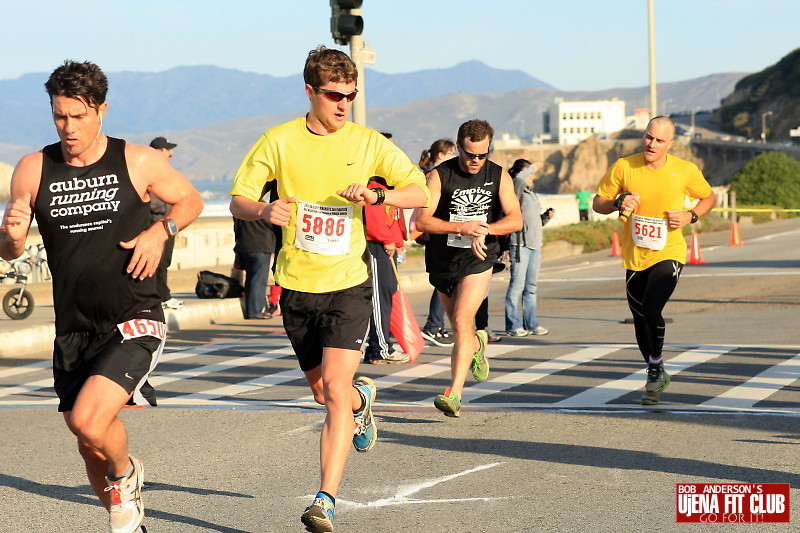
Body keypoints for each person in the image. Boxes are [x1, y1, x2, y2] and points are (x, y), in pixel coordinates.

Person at [229, 46, 429, 533]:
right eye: (334, 95)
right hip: (296, 286)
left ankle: (325, 500)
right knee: (326, 394)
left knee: (333, 390)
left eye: (351, 96)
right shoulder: (277, 142)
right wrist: (263, 211)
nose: (343, 105)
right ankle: (363, 402)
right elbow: (238, 200)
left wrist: (379, 194)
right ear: (310, 92)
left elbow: (420, 191)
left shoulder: (366, 142)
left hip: (348, 284)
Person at [0, 60, 203, 533]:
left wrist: (160, 230)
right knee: (85, 437)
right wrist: (10, 237)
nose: (68, 128)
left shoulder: (136, 160)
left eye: (78, 116)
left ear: (101, 111)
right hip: (74, 325)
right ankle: (127, 519)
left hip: (134, 315)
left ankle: (126, 477)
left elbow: (189, 200)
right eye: (59, 116)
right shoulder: (34, 168)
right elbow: (10, 249)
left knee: (91, 421)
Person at [592, 116, 715, 405]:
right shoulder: (624, 166)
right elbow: (598, 202)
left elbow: (708, 198)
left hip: (669, 251)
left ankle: (656, 362)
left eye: (659, 140)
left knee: (651, 307)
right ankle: (655, 369)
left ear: (670, 144)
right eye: (649, 137)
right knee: (639, 318)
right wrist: (617, 202)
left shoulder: (685, 171)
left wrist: (690, 215)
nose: (652, 144)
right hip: (635, 256)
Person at [416, 119, 522, 418]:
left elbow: (516, 219)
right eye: (470, 154)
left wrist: (485, 230)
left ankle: (455, 393)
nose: (476, 161)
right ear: (459, 147)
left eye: (482, 155)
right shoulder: (439, 176)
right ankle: (477, 342)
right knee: (460, 327)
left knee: (463, 319)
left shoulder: (498, 175)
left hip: (480, 257)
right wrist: (462, 227)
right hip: (443, 260)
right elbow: (422, 221)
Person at [364, 174, 410, 364]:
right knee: (379, 296)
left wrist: (398, 242)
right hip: (375, 245)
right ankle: (380, 348)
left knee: (388, 291)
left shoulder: (392, 186)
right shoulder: (373, 186)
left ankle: (379, 345)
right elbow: (374, 218)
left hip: (387, 246)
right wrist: (388, 240)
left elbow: (395, 217)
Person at [414, 138, 456, 347]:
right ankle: (433, 326)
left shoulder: (438, 176)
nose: (454, 158)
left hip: (440, 234)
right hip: (435, 235)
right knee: (442, 281)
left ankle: (436, 325)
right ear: (441, 155)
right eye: (451, 154)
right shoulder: (433, 177)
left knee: (446, 281)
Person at [504, 159, 553, 337]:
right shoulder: (516, 191)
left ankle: (531, 323)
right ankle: (513, 325)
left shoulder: (531, 194)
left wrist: (545, 218)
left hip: (535, 246)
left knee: (530, 287)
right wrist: (533, 166)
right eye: (530, 174)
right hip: (520, 245)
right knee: (516, 287)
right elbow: (519, 178)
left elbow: (535, 222)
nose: (533, 177)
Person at [233, 182, 279, 319]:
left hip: (244, 247)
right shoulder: (264, 208)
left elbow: (237, 229)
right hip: (261, 247)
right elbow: (273, 226)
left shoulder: (242, 207)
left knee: (250, 280)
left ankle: (251, 309)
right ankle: (256, 311)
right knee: (259, 280)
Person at [148, 136, 184, 309]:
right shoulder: (149, 171)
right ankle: (162, 297)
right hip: (156, 225)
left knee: (164, 262)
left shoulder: (165, 171)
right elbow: (151, 201)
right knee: (158, 262)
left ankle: (160, 297)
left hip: (167, 224)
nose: (171, 153)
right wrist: (166, 207)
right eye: (168, 149)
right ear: (159, 151)